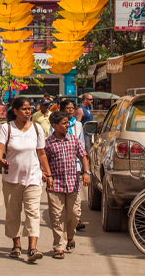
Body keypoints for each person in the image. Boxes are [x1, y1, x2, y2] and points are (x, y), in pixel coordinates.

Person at [0, 96, 52, 262]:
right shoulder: (7, 128)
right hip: (11, 179)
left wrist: (48, 174)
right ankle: (16, 243)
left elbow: (41, 153)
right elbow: (0, 147)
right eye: (24, 109)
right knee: (13, 214)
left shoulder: (36, 129)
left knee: (33, 213)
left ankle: (32, 248)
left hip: (33, 178)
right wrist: (0, 159)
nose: (28, 112)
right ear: (15, 111)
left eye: (29, 109)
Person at [45, 111, 91, 259]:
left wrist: (86, 172)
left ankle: (70, 236)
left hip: (73, 184)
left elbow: (83, 155)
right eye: (64, 123)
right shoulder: (48, 143)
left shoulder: (73, 140)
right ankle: (59, 246)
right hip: (55, 185)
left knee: (73, 214)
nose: (67, 126)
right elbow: (43, 161)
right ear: (55, 126)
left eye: (68, 123)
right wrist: (46, 175)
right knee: (57, 216)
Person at [59, 98, 87, 231]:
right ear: (62, 110)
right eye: (67, 108)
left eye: (72, 108)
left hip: (75, 163)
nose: (70, 111)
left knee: (75, 192)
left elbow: (81, 143)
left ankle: (76, 218)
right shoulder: (57, 124)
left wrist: (84, 165)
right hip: (61, 163)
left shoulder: (78, 125)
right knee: (63, 192)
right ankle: (64, 217)